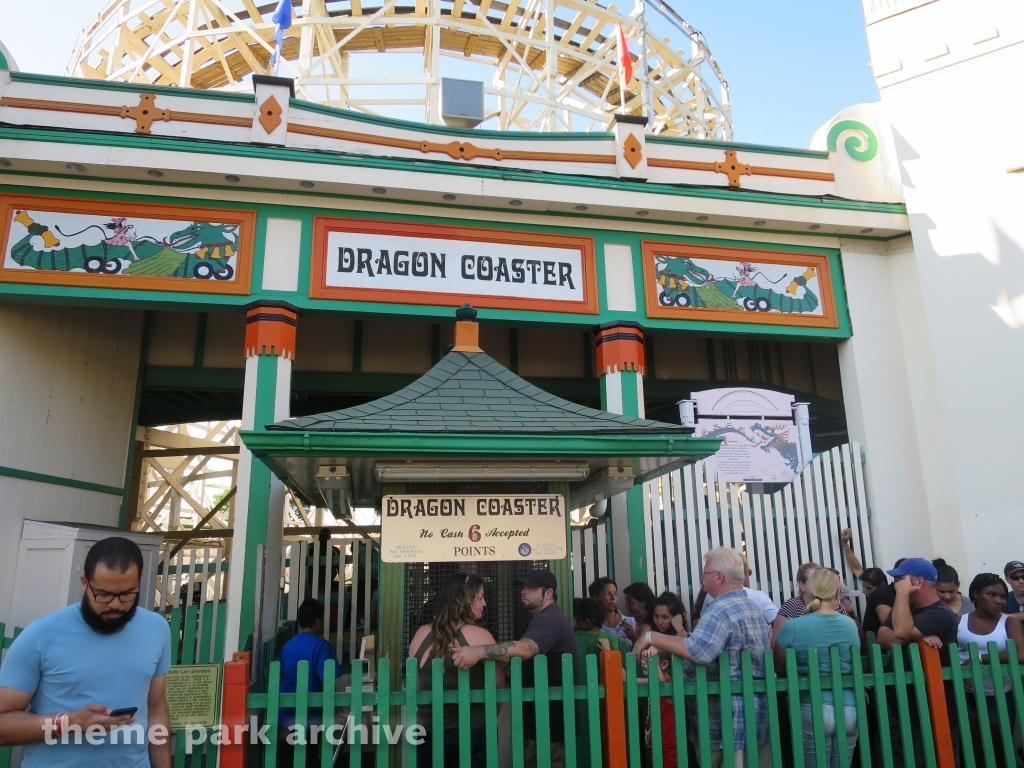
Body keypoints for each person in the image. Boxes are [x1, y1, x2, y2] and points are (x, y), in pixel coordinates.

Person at [0, 536, 171, 768]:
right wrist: (69, 723)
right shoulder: (41, 635)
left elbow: (156, 709)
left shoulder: (157, 628)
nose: (115, 604)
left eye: (127, 593)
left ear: (139, 581)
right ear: (84, 583)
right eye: (103, 594)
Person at [634, 548, 771, 768]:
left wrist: (651, 636)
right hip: (756, 721)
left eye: (705, 572)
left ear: (719, 577)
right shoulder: (753, 609)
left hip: (726, 726)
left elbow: (698, 651)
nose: (702, 577)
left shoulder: (720, 610)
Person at [452, 570, 579, 768]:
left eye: (531, 588)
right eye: (523, 587)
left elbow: (525, 649)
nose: (523, 591)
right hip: (540, 722)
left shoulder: (549, 620)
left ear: (548, 593)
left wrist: (478, 651)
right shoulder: (542, 619)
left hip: (550, 725)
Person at [408, 573, 500, 768]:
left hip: (426, 731)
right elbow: (497, 689)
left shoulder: (420, 635)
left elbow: (415, 687)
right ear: (464, 601)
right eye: (480, 597)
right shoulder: (482, 636)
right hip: (473, 729)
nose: (484, 603)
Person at [773, 568, 860, 768]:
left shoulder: (793, 626)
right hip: (849, 707)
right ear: (838, 593)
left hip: (810, 706)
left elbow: (779, 665)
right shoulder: (850, 625)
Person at [877, 558, 959, 768]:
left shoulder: (940, 613)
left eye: (900, 579)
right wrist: (919, 636)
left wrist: (903, 594)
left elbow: (901, 632)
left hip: (930, 709)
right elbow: (884, 638)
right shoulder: (906, 610)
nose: (896, 583)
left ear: (919, 581)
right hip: (900, 706)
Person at [957, 573, 1024, 768]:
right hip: (967, 695)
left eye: (1002, 597)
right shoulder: (959, 622)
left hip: (1001, 695)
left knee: (1001, 750)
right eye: (992, 595)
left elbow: (1021, 654)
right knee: (973, 751)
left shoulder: (1009, 622)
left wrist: (979, 658)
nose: (999, 601)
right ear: (976, 594)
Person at [277, 599, 342, 768]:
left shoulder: (287, 646)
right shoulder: (322, 647)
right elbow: (327, 682)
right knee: (310, 759)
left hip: (284, 716)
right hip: (310, 717)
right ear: (318, 621)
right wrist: (338, 709)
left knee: (286, 761)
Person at [702, 558, 783, 639]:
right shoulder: (759, 596)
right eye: (749, 572)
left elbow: (702, 623)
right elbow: (779, 622)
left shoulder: (710, 596)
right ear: (742, 574)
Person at [777, 563, 849, 625]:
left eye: (821, 580)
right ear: (802, 585)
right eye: (813, 581)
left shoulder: (836, 603)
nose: (819, 584)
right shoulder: (791, 606)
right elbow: (778, 638)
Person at [642, 649, 679, 768]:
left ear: (664, 664)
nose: (643, 662)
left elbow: (664, 688)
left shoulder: (669, 684)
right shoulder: (650, 683)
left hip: (668, 751)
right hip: (654, 749)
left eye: (649, 659)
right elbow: (624, 678)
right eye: (644, 658)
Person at [589, 577, 637, 649]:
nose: (613, 598)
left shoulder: (630, 622)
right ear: (596, 598)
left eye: (615, 594)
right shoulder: (592, 625)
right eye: (607, 593)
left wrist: (634, 637)